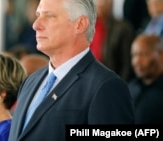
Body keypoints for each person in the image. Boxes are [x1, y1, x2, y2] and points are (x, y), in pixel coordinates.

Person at [8, 0, 134, 141]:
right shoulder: (30, 82)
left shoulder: (106, 87)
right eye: (38, 15)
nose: (36, 24)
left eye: (49, 16)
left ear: (79, 25)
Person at [129, 34, 163, 124]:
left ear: (161, 55)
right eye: (134, 55)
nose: (136, 61)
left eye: (143, 54)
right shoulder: (130, 87)